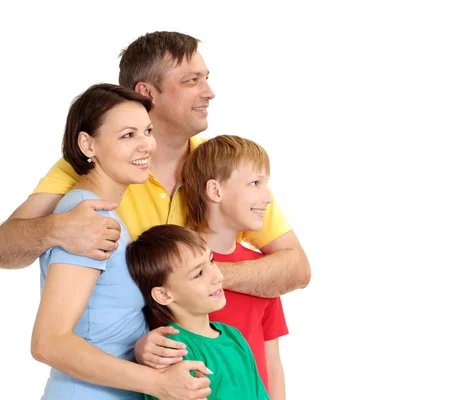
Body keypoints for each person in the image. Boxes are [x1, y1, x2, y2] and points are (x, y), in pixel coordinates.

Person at [0, 31, 310, 366]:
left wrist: (193, 276)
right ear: (146, 94)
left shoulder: (222, 167)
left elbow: (296, 268)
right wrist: (54, 230)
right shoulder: (91, 165)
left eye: (206, 79)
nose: (210, 92)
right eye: (192, 80)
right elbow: (4, 248)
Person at [31, 83, 212, 400]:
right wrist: (158, 383)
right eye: (128, 135)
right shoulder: (90, 219)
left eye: (147, 131)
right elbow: (49, 342)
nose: (146, 146)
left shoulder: (103, 213)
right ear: (88, 144)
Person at [180, 135, 288, 399]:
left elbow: (272, 365)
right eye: (255, 183)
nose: (268, 197)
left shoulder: (263, 272)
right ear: (215, 191)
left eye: (266, 183)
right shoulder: (176, 268)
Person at [127, 225, 269, 400]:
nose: (218, 276)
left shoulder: (234, 337)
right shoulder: (170, 352)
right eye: (198, 274)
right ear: (163, 295)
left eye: (211, 261)